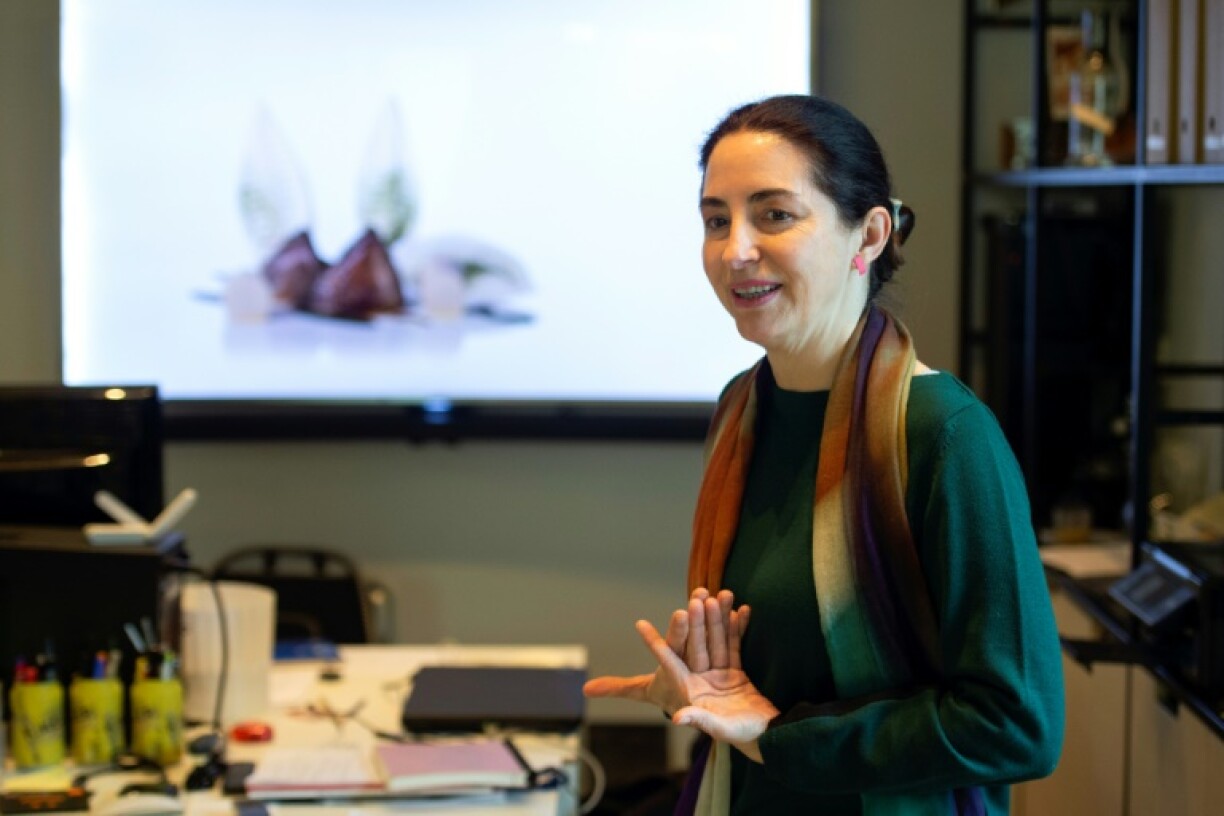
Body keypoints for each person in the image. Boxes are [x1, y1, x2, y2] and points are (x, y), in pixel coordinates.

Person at [583, 95, 1065, 815]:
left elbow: (1017, 726)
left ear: (867, 236)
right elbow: (769, 688)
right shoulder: (742, 410)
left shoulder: (945, 434)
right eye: (717, 219)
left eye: (774, 214)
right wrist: (698, 692)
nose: (735, 249)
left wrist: (777, 736)